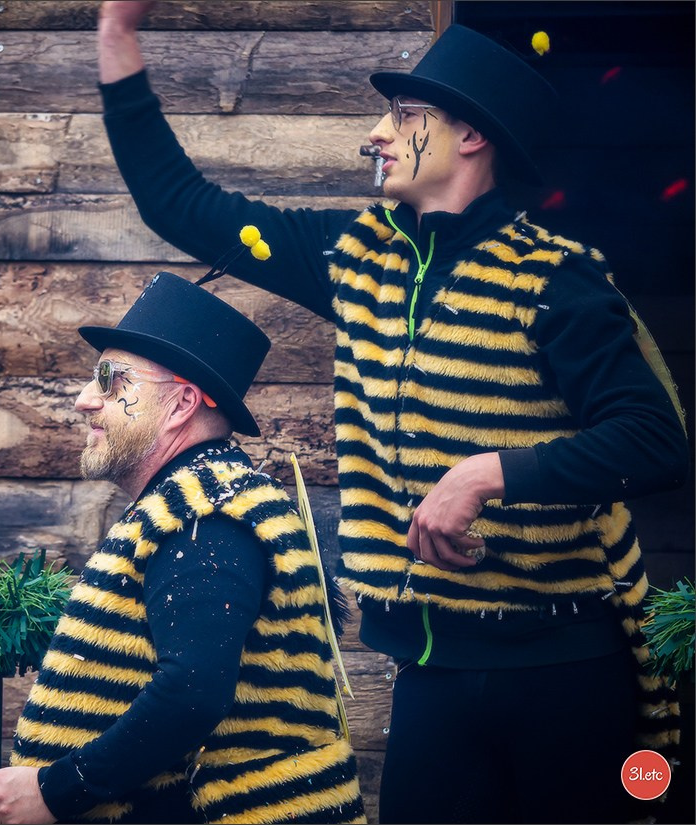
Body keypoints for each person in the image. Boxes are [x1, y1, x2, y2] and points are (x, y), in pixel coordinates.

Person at [92, 4, 689, 824]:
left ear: (470, 137)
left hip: (565, 672)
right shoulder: (353, 257)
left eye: (405, 115)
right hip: (432, 680)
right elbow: (177, 204)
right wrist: (116, 39)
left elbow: (657, 443)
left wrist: (485, 475)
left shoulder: (556, 280)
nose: (376, 133)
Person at [0, 271, 365, 824]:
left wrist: (58, 791)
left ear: (181, 405)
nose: (84, 400)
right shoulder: (197, 502)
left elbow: (193, 692)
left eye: (110, 379)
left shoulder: (210, 513)